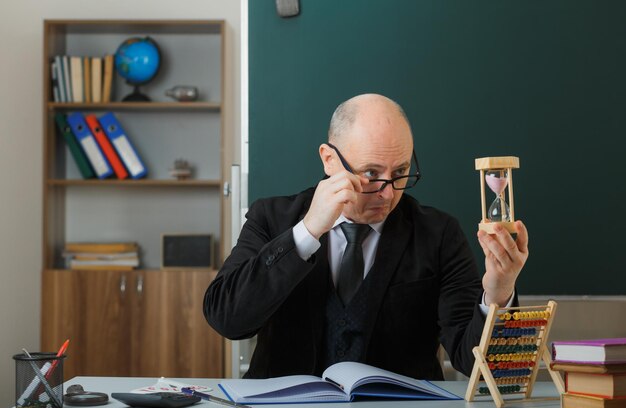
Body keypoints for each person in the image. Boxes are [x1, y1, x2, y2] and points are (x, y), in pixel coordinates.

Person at [204, 93, 528, 380]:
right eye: (371, 174)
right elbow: (227, 320)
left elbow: (474, 361)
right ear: (330, 160)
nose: (387, 194)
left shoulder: (438, 234)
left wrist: (498, 295)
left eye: (400, 172)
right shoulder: (272, 218)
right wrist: (306, 233)